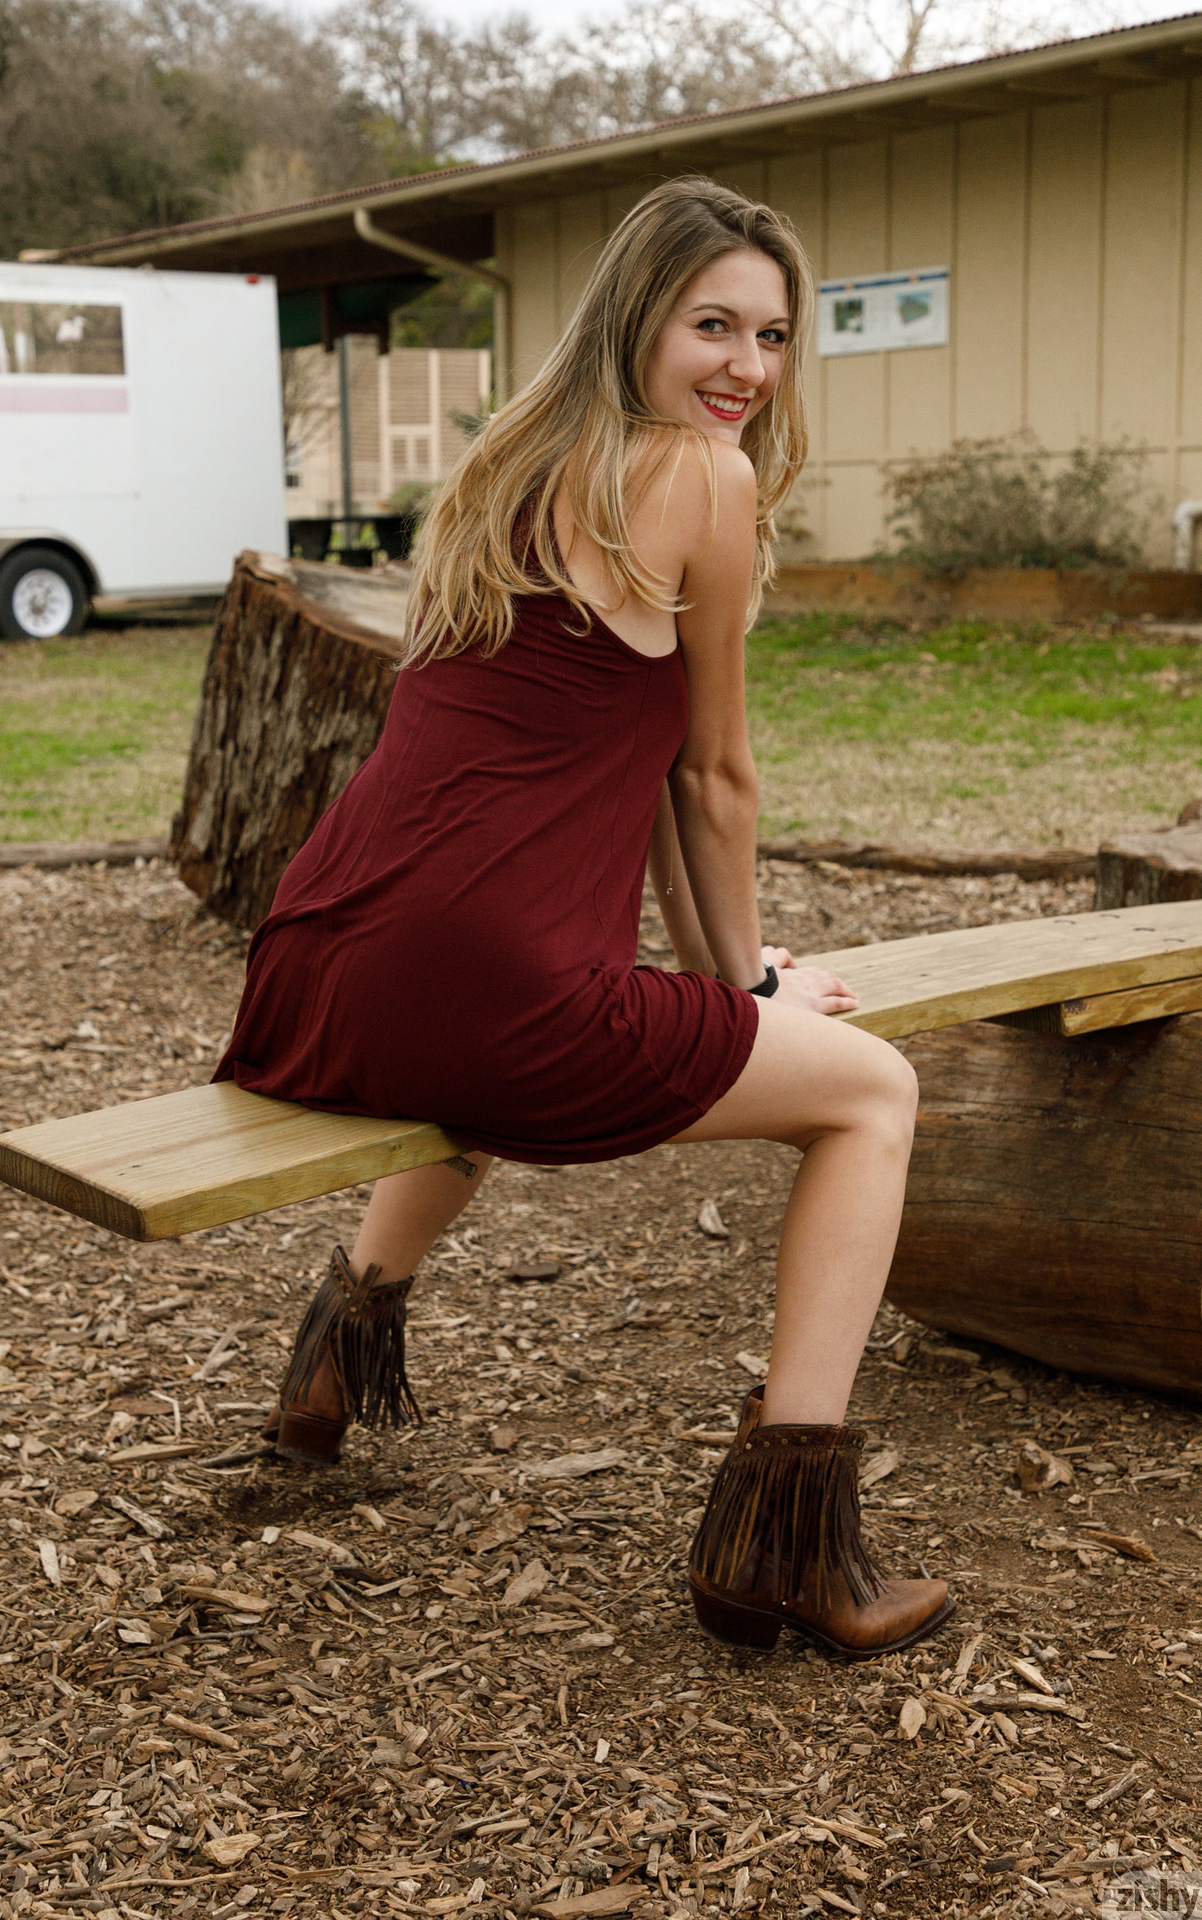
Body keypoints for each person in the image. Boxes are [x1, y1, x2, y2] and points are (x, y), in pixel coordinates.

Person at [214, 177, 953, 1661]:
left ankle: (333, 1368)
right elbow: (716, 775)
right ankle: (783, 1544)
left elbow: (638, 769)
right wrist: (750, 993)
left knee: (476, 1061)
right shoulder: (703, 476)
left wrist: (731, 980)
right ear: (637, 318)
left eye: (773, 336)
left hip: (319, 963)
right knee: (875, 1094)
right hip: (481, 986)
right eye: (713, 326)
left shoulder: (508, 460)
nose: (747, 366)